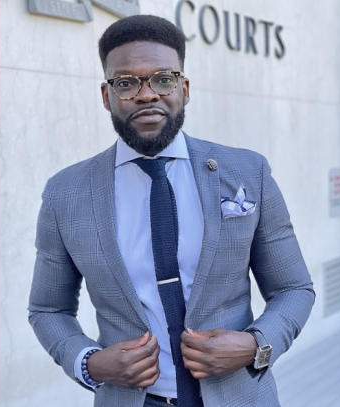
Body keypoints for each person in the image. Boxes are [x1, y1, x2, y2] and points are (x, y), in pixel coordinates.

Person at [27, 15, 314, 407]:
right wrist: (89, 363)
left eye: (163, 78)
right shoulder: (65, 193)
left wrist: (254, 345)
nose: (147, 95)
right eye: (126, 83)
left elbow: (293, 289)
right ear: (106, 96)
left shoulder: (249, 172)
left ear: (184, 88)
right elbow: (48, 308)